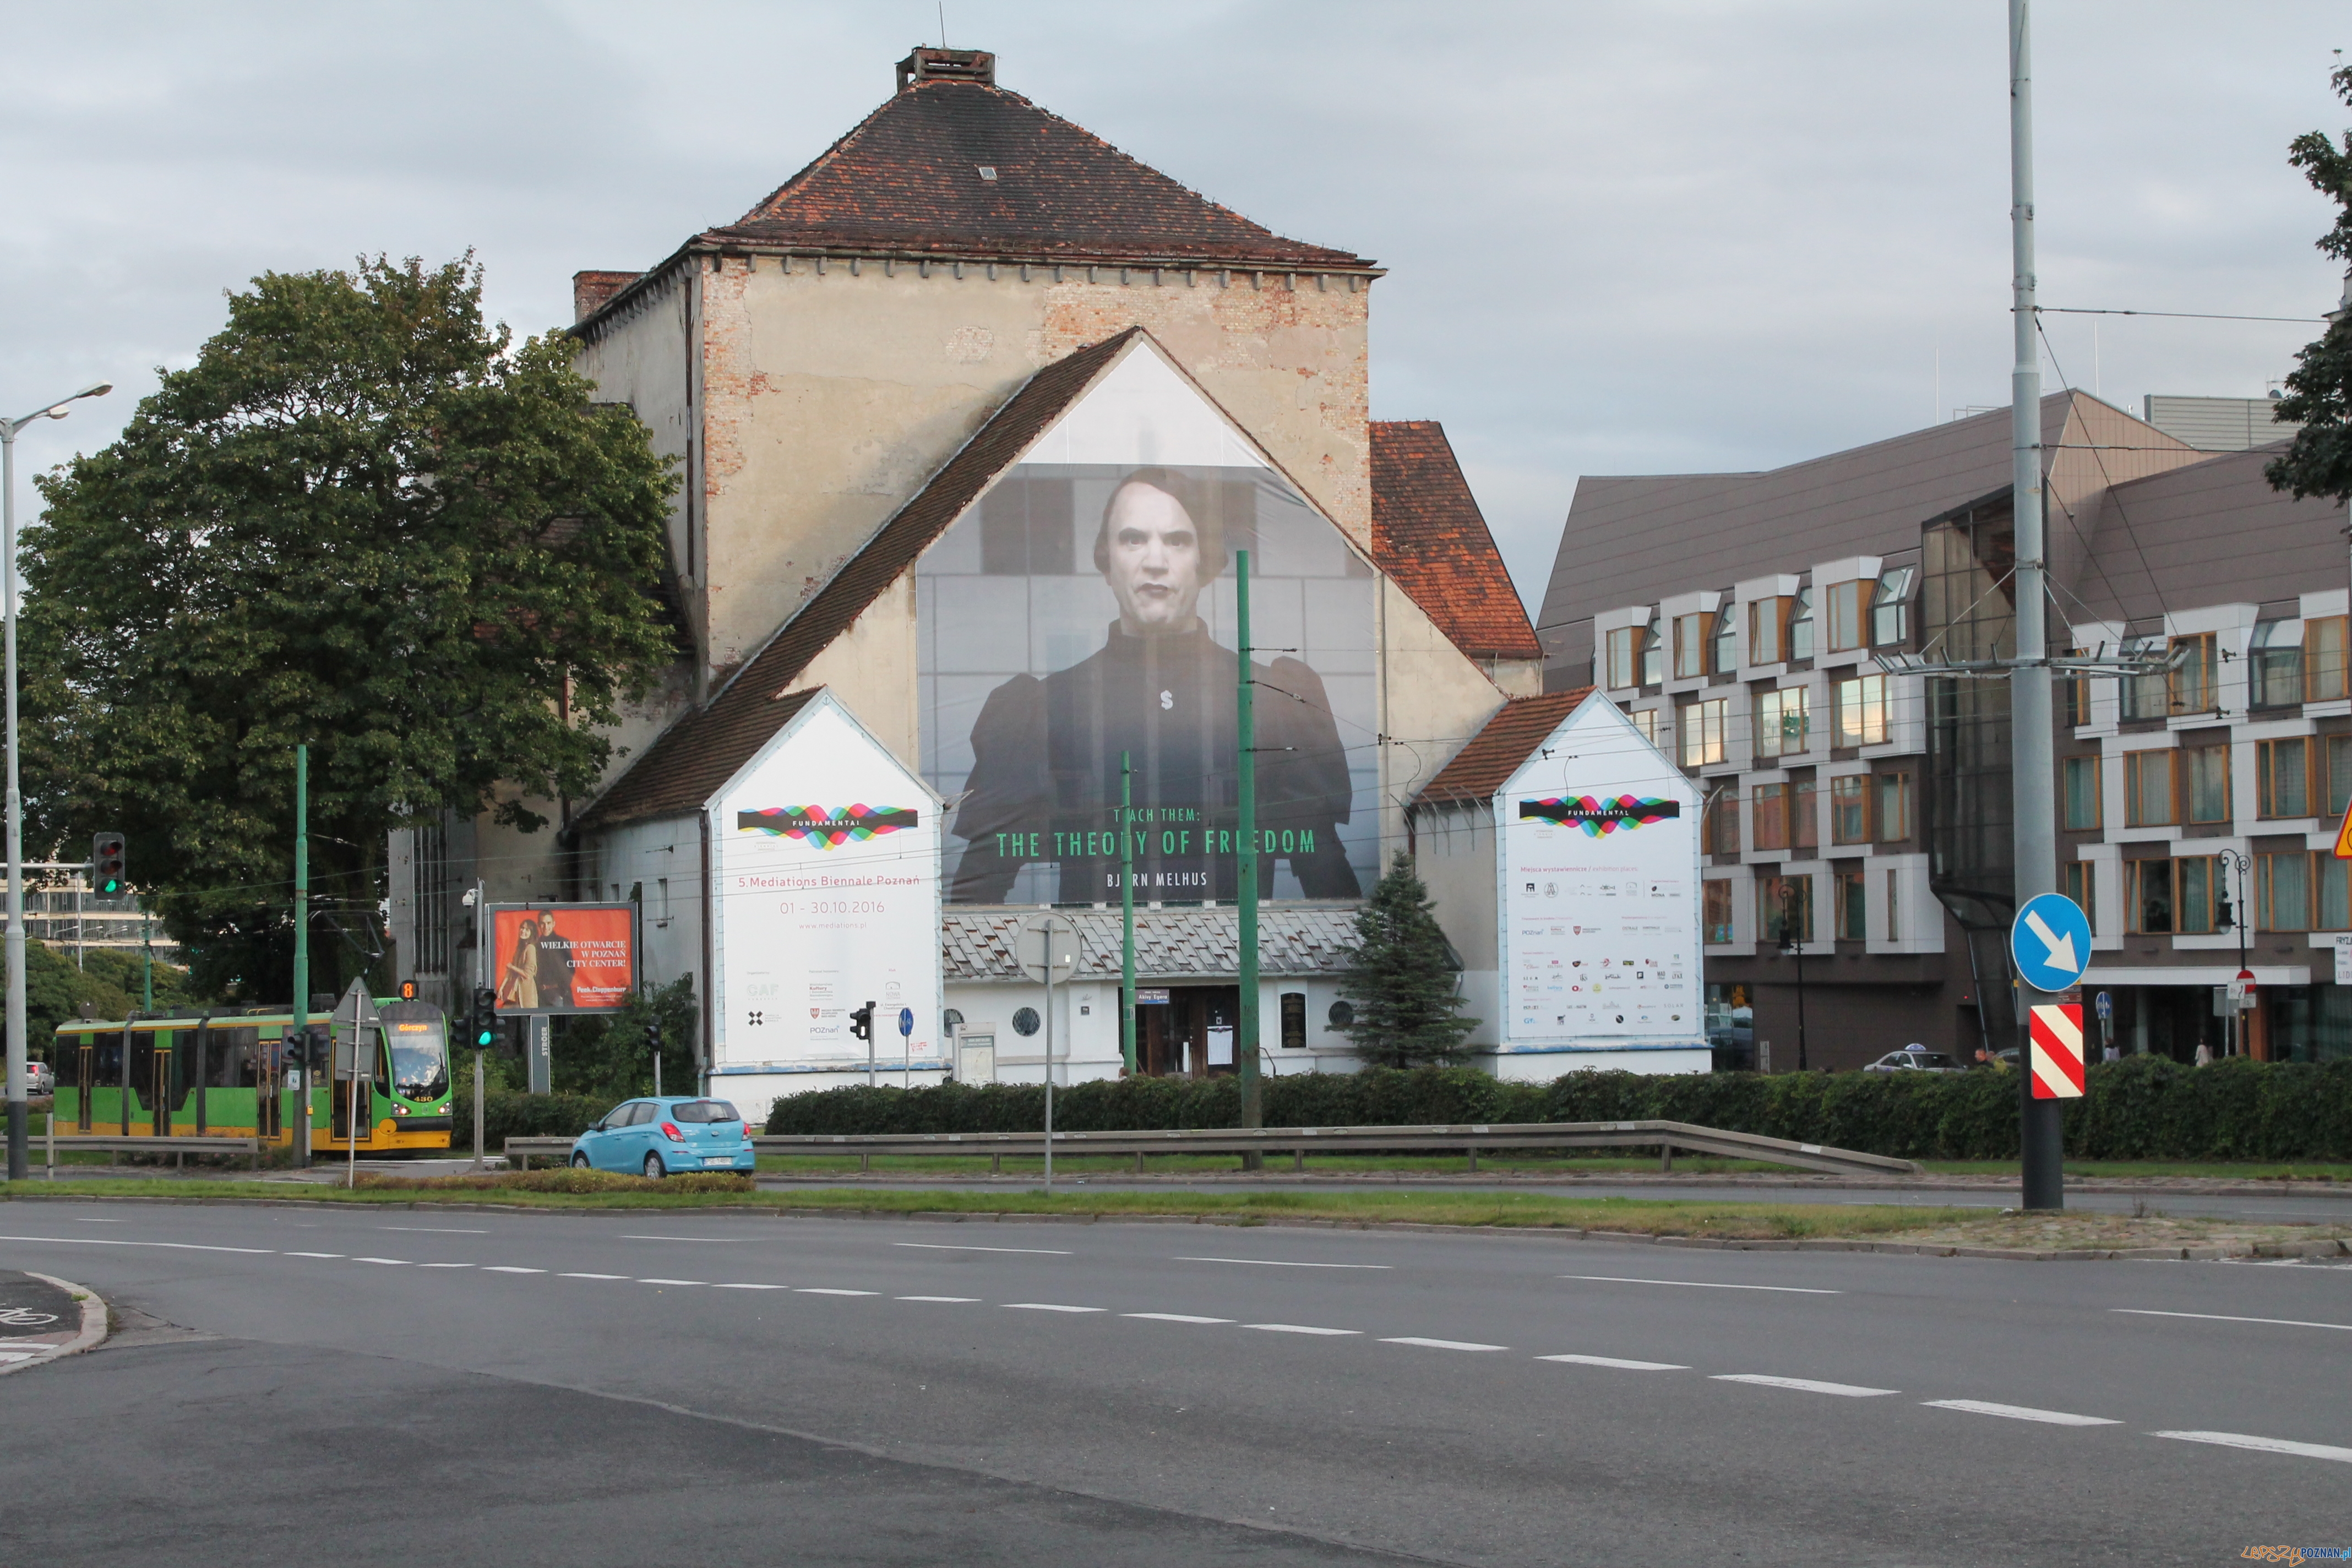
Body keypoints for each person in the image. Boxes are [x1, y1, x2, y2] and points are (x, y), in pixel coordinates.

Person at [951, 467, 1359, 903]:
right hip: (1092, 963)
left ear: (1206, 564)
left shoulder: (1275, 697)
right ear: (1106, 563)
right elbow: (983, 878)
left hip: (1234, 964)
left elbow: (1323, 868)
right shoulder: (1041, 707)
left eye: (1178, 540)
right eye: (1133, 539)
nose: (1155, 560)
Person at [496, 916, 541, 1010]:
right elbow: (510, 971)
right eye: (522, 928)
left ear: (532, 934)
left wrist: (512, 967)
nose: (523, 931)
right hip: (514, 992)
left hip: (526, 993)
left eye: (527, 930)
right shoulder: (520, 948)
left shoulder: (531, 948)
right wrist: (501, 988)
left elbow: (528, 974)